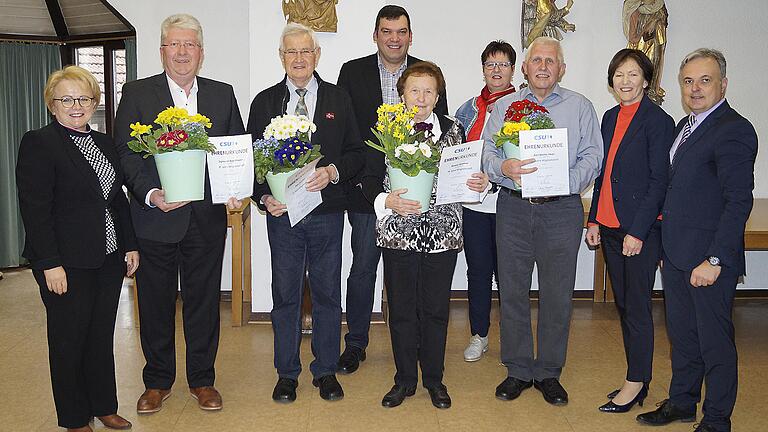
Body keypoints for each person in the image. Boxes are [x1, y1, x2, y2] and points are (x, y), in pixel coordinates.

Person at [113, 13, 245, 413]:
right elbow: (124, 152)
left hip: (205, 221)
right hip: (155, 218)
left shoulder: (222, 94)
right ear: (162, 51)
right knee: (154, 303)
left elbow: (234, 150)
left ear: (201, 53)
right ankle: (156, 382)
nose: (182, 52)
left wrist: (237, 192)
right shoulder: (137, 93)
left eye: (190, 45)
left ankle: (203, 380)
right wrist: (151, 193)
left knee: (204, 303)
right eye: (175, 44)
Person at [636, 48, 757, 432]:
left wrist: (716, 260)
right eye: (688, 81)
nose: (695, 88)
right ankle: (683, 402)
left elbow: (738, 201)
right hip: (676, 255)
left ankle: (717, 420)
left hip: (708, 260)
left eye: (704, 80)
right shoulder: (683, 128)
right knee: (683, 337)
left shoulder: (735, 129)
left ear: (723, 83)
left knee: (715, 344)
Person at [16, 65, 138, 432]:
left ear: (95, 102)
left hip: (107, 256)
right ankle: (73, 417)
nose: (76, 105)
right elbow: (34, 208)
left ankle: (103, 405)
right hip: (64, 262)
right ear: (52, 105)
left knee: (100, 336)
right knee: (69, 339)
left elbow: (116, 199)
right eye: (66, 99)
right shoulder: (39, 142)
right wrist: (50, 262)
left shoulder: (103, 142)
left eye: (83, 98)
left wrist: (130, 245)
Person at [482, 36, 602, 406]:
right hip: (514, 208)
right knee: (513, 290)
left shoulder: (580, 107)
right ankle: (518, 369)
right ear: (525, 68)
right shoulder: (505, 106)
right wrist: (503, 166)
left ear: (561, 68)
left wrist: (563, 181)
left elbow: (593, 156)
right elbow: (487, 151)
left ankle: (549, 371)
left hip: (561, 210)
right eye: (537, 60)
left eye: (551, 61)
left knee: (557, 293)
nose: (544, 67)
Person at [247, 22, 364, 403]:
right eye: (291, 52)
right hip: (283, 217)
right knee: (285, 296)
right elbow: (251, 163)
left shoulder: (338, 98)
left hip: (327, 213)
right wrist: (264, 198)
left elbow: (357, 154)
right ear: (281, 58)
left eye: (306, 52)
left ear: (317, 56)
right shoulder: (264, 102)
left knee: (328, 293)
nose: (299, 59)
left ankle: (325, 370)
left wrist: (332, 172)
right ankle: (287, 373)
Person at [363, 61, 489, 409]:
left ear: (438, 96)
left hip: (442, 232)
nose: (421, 98)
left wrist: (480, 184)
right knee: (402, 309)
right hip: (398, 231)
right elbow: (369, 177)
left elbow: (467, 176)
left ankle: (434, 380)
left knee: (435, 309)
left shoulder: (455, 129)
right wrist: (384, 199)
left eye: (428, 91)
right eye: (414, 90)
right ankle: (404, 380)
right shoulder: (385, 128)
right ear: (401, 93)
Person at [335, 4, 449, 375]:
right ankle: (355, 343)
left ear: (410, 36)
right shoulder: (351, 73)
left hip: (417, 199)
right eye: (387, 31)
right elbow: (347, 136)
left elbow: (440, 134)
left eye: (401, 31)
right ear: (376, 35)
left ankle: (415, 346)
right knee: (363, 269)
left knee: (410, 278)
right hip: (370, 194)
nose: (394, 38)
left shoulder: (426, 74)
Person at [585, 49, 674, 413]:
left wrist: (638, 231)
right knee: (624, 306)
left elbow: (659, 181)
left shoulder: (658, 120)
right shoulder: (609, 117)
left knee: (636, 308)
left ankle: (636, 382)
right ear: (612, 81)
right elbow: (603, 174)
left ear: (646, 80)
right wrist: (593, 218)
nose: (625, 81)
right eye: (619, 74)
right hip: (608, 226)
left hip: (638, 231)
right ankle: (637, 375)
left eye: (633, 74)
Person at [454, 40, 517, 362]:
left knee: (509, 273)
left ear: (513, 70)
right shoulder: (467, 109)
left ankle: (512, 337)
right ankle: (479, 335)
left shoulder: (526, 108)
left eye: (503, 65)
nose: (496, 70)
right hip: (474, 204)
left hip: (509, 203)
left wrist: (494, 175)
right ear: (483, 70)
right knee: (478, 272)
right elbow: (454, 153)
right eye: (491, 64)